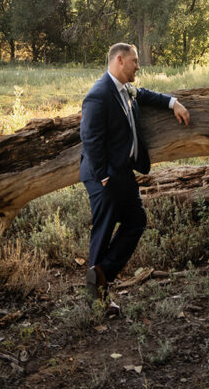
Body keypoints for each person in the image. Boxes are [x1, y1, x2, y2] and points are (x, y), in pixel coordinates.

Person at [80, 42, 190, 309]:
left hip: (124, 172)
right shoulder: (98, 94)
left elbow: (146, 95)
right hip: (104, 176)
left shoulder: (124, 89)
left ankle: (102, 274)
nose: (138, 66)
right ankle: (97, 299)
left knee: (137, 220)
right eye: (135, 61)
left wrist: (173, 102)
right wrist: (104, 176)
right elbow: (90, 139)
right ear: (119, 60)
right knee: (104, 231)